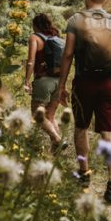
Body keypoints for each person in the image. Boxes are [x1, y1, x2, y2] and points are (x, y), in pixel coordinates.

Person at [57, 0, 111, 204]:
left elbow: (67, 55)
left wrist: (61, 86)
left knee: (81, 128)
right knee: (109, 133)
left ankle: (84, 174)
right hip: (108, 82)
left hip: (84, 81)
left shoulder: (75, 20)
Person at [21, 13, 65, 151]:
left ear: (36, 25)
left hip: (43, 81)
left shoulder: (35, 38)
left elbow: (31, 61)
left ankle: (56, 138)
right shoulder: (57, 39)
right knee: (50, 116)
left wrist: (27, 80)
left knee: (37, 114)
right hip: (58, 81)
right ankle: (57, 149)